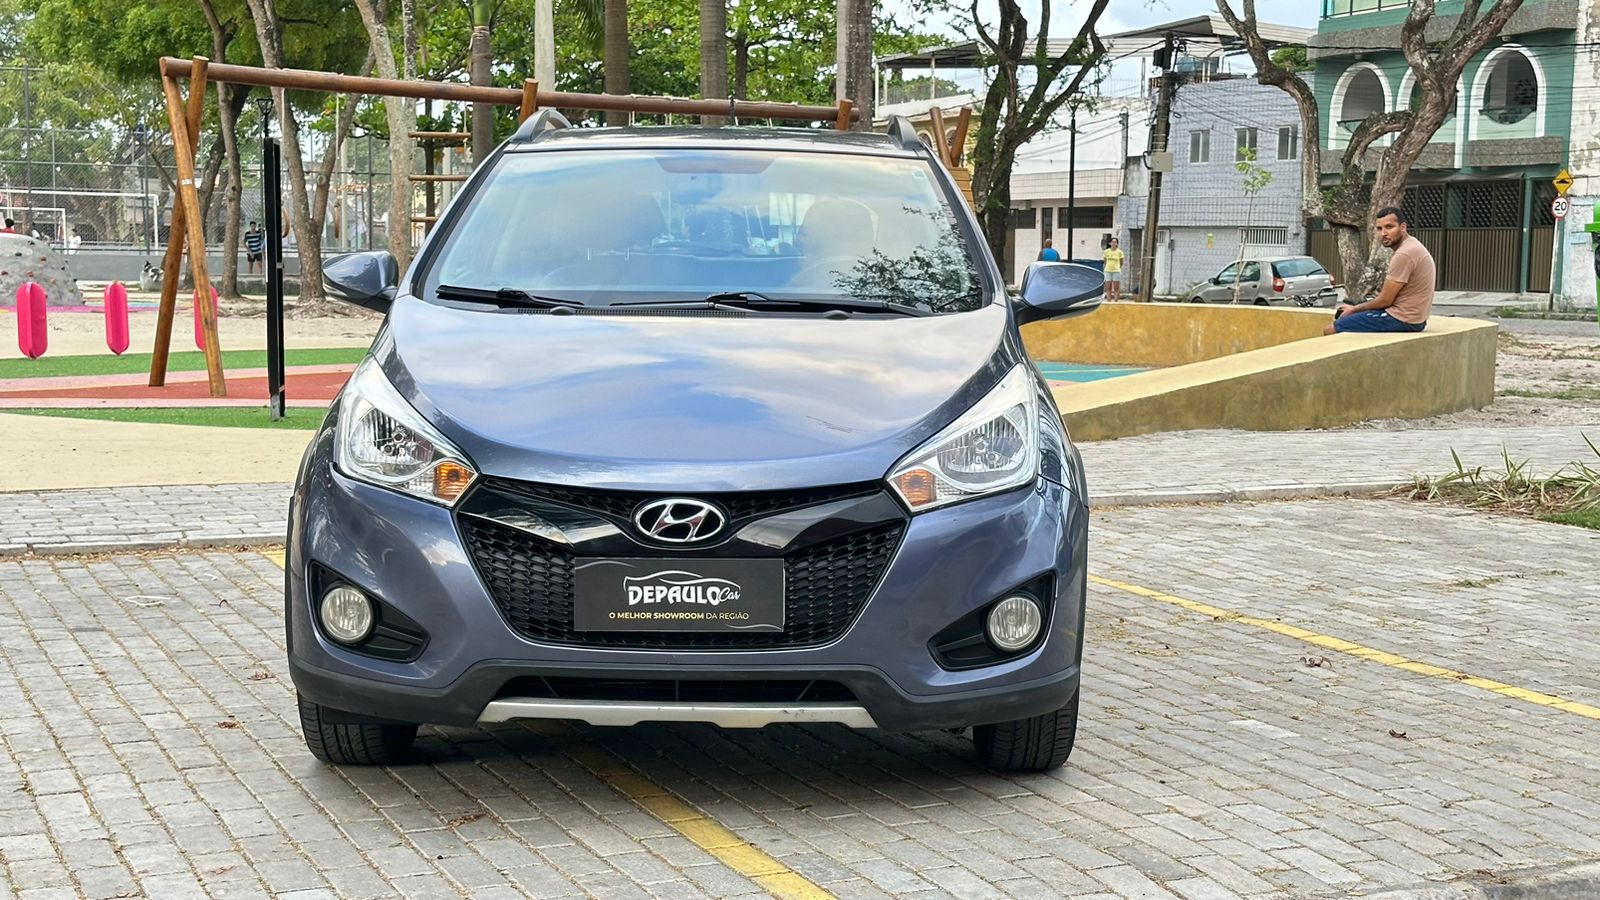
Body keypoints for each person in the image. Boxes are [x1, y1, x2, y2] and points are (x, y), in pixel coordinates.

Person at [1325, 206, 1435, 336]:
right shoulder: (1412, 245)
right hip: (1415, 319)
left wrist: (1354, 309)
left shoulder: (1404, 254)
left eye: (1389, 227)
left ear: (1403, 227)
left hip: (1402, 319)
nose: (1383, 233)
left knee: (1330, 329)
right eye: (1379, 229)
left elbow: (1385, 301)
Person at [1102, 237, 1125, 302]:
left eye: (1115, 242)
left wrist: (1117, 267)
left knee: (1116, 288)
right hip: (1107, 271)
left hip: (1116, 271)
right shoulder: (1106, 251)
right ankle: (1108, 301)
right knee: (1108, 288)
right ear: (1110, 243)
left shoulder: (1120, 252)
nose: (1114, 243)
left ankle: (1116, 301)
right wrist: (1106, 267)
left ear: (1117, 243)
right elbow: (1105, 261)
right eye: (1112, 242)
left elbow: (1121, 262)